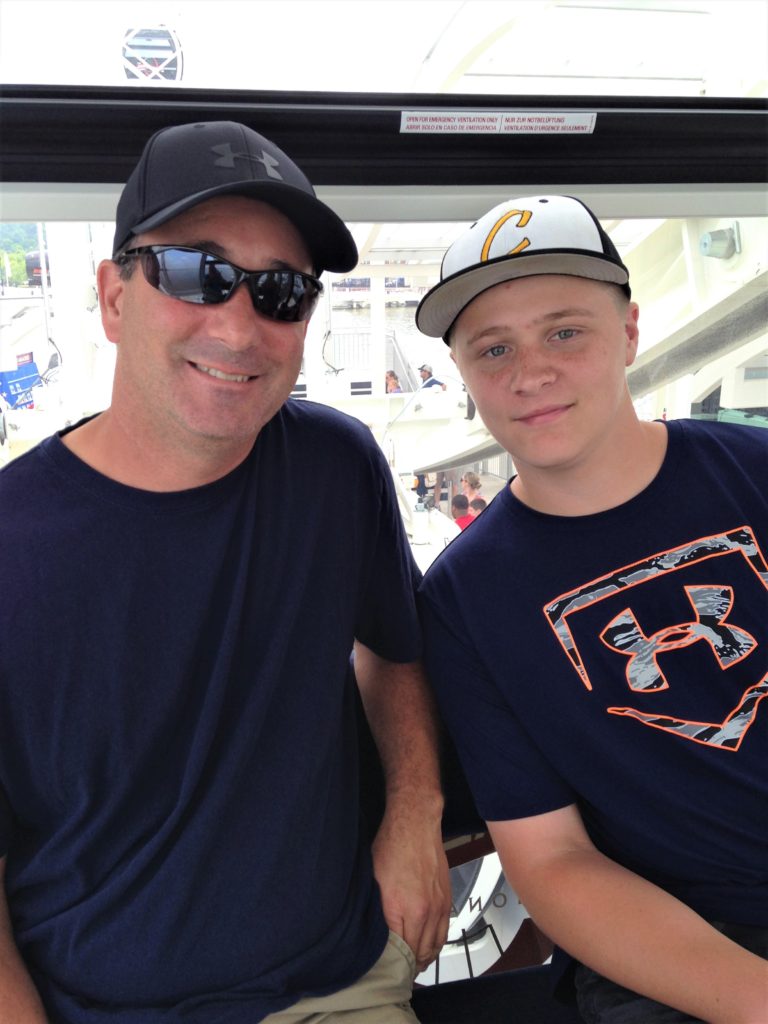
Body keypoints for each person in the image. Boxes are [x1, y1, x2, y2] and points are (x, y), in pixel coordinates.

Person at [0, 120, 451, 1023]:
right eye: (193, 272)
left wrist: (415, 811)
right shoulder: (14, 544)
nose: (239, 326)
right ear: (114, 294)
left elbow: (391, 647)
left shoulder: (334, 464)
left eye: (281, 292)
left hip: (340, 982)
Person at [415, 195, 768, 1023]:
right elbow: (554, 859)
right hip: (682, 943)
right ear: (464, 375)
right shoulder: (464, 599)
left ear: (631, 332)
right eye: (491, 348)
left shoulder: (756, 473)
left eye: (564, 331)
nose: (528, 372)